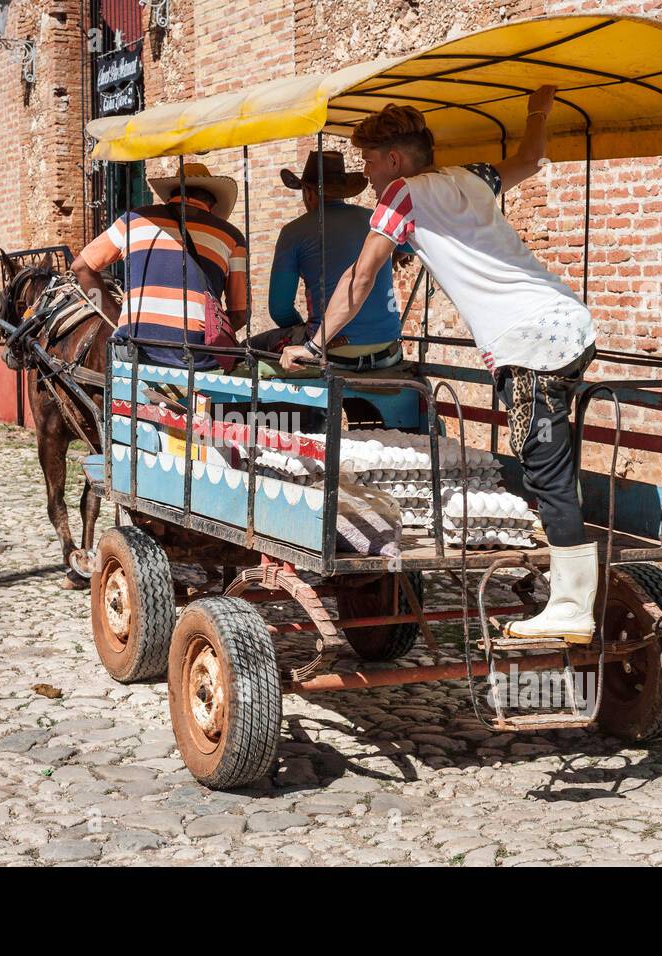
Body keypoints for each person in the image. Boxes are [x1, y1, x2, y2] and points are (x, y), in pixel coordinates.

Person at [280, 89, 601, 643]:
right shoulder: (472, 176)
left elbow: (358, 280)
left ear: (396, 161)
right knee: (551, 459)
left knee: (546, 467)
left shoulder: (401, 196)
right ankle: (573, 593)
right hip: (569, 322)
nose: (370, 175)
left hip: (529, 342)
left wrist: (316, 347)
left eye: (373, 164)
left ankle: (572, 605)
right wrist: (537, 113)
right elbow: (528, 161)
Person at [71, 162, 248, 371]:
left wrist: (116, 317)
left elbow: (80, 267)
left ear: (171, 195)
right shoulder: (231, 236)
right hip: (197, 360)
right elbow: (240, 314)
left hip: (135, 352)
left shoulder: (133, 220)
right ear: (211, 203)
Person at [252, 150, 403, 373]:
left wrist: (304, 331)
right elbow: (408, 244)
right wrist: (401, 253)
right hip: (389, 350)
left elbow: (280, 309)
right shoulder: (376, 221)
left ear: (309, 193)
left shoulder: (293, 232)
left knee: (250, 348)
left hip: (332, 352)